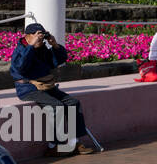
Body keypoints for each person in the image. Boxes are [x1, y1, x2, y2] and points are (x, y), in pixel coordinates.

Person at [9, 23, 100, 155]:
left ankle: (74, 142)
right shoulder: (21, 49)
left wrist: (55, 45)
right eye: (37, 36)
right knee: (56, 106)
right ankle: (54, 146)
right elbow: (21, 67)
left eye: (42, 36)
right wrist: (30, 46)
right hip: (28, 88)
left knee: (73, 103)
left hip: (46, 86)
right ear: (28, 36)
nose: (40, 39)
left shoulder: (42, 49)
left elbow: (58, 60)